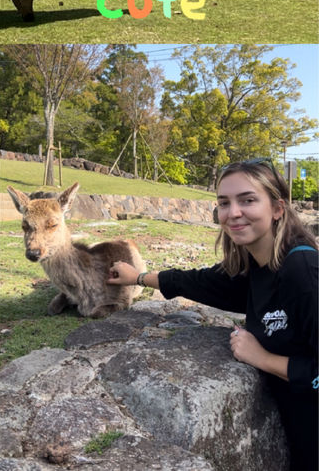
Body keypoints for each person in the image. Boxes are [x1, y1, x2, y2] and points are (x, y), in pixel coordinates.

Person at [107, 158, 318, 471]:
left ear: (277, 209)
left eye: (247, 200)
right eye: (224, 203)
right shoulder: (255, 268)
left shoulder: (303, 272)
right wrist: (137, 277)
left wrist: (262, 359)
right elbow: (196, 282)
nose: (233, 213)